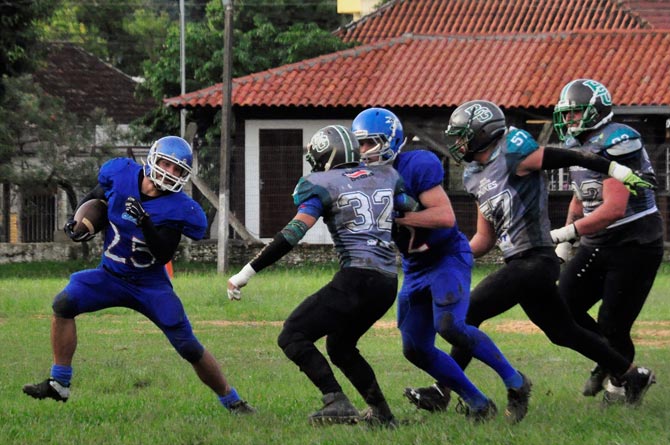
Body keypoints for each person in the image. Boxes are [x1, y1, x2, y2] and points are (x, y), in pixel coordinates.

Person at [405, 99, 657, 409]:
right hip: (519, 263)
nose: (457, 143)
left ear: (482, 133)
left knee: (468, 313)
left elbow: (562, 155)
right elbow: (485, 238)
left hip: (536, 259)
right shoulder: (473, 175)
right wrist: (446, 257)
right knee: (563, 331)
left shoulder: (514, 151)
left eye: (462, 135)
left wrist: (614, 169)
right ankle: (631, 374)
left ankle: (443, 391)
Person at [23, 136, 255, 414]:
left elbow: (164, 253)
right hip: (110, 275)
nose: (170, 173)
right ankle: (59, 383)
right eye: (166, 164)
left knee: (188, 347)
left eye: (177, 170)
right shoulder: (121, 174)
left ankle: (232, 401)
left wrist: (144, 221)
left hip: (149, 285)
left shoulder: (180, 207)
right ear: (153, 159)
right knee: (63, 304)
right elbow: (97, 196)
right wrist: (77, 222)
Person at [226, 125, 416, 427]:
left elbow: (294, 233)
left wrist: (246, 272)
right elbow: (409, 210)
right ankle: (382, 415)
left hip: (357, 278)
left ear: (325, 157)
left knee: (292, 335)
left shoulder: (321, 183)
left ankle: (336, 401)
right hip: (387, 282)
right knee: (340, 347)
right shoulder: (386, 175)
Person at [352, 108, 531, 424]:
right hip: (414, 267)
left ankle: (516, 381)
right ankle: (478, 402)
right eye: (360, 144)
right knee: (415, 348)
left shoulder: (416, 165)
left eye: (370, 143)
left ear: (390, 140)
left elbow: (444, 217)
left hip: (446, 257)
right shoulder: (364, 179)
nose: (364, 151)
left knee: (450, 326)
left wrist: (396, 217)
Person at [550, 79, 664, 402]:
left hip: (634, 243)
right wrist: (566, 240)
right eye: (566, 114)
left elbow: (614, 209)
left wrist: (567, 233)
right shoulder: (576, 143)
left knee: (613, 323)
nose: (569, 120)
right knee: (562, 307)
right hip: (597, 241)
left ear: (595, 112)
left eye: (575, 113)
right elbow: (581, 195)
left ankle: (621, 381)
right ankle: (611, 359)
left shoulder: (618, 140)